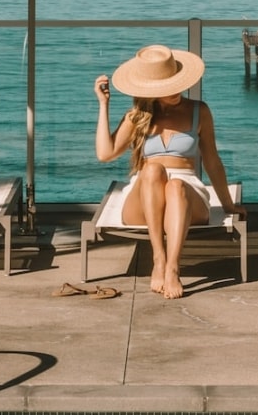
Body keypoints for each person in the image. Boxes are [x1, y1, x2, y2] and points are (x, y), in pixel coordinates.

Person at [94, 45, 245, 299]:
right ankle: (159, 258)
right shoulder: (136, 117)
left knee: (175, 186)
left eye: (176, 83)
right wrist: (103, 105)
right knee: (152, 169)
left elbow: (212, 162)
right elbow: (105, 153)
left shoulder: (200, 111)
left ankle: (173, 267)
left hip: (187, 194)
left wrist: (228, 205)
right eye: (167, 86)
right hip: (145, 196)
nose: (176, 90)